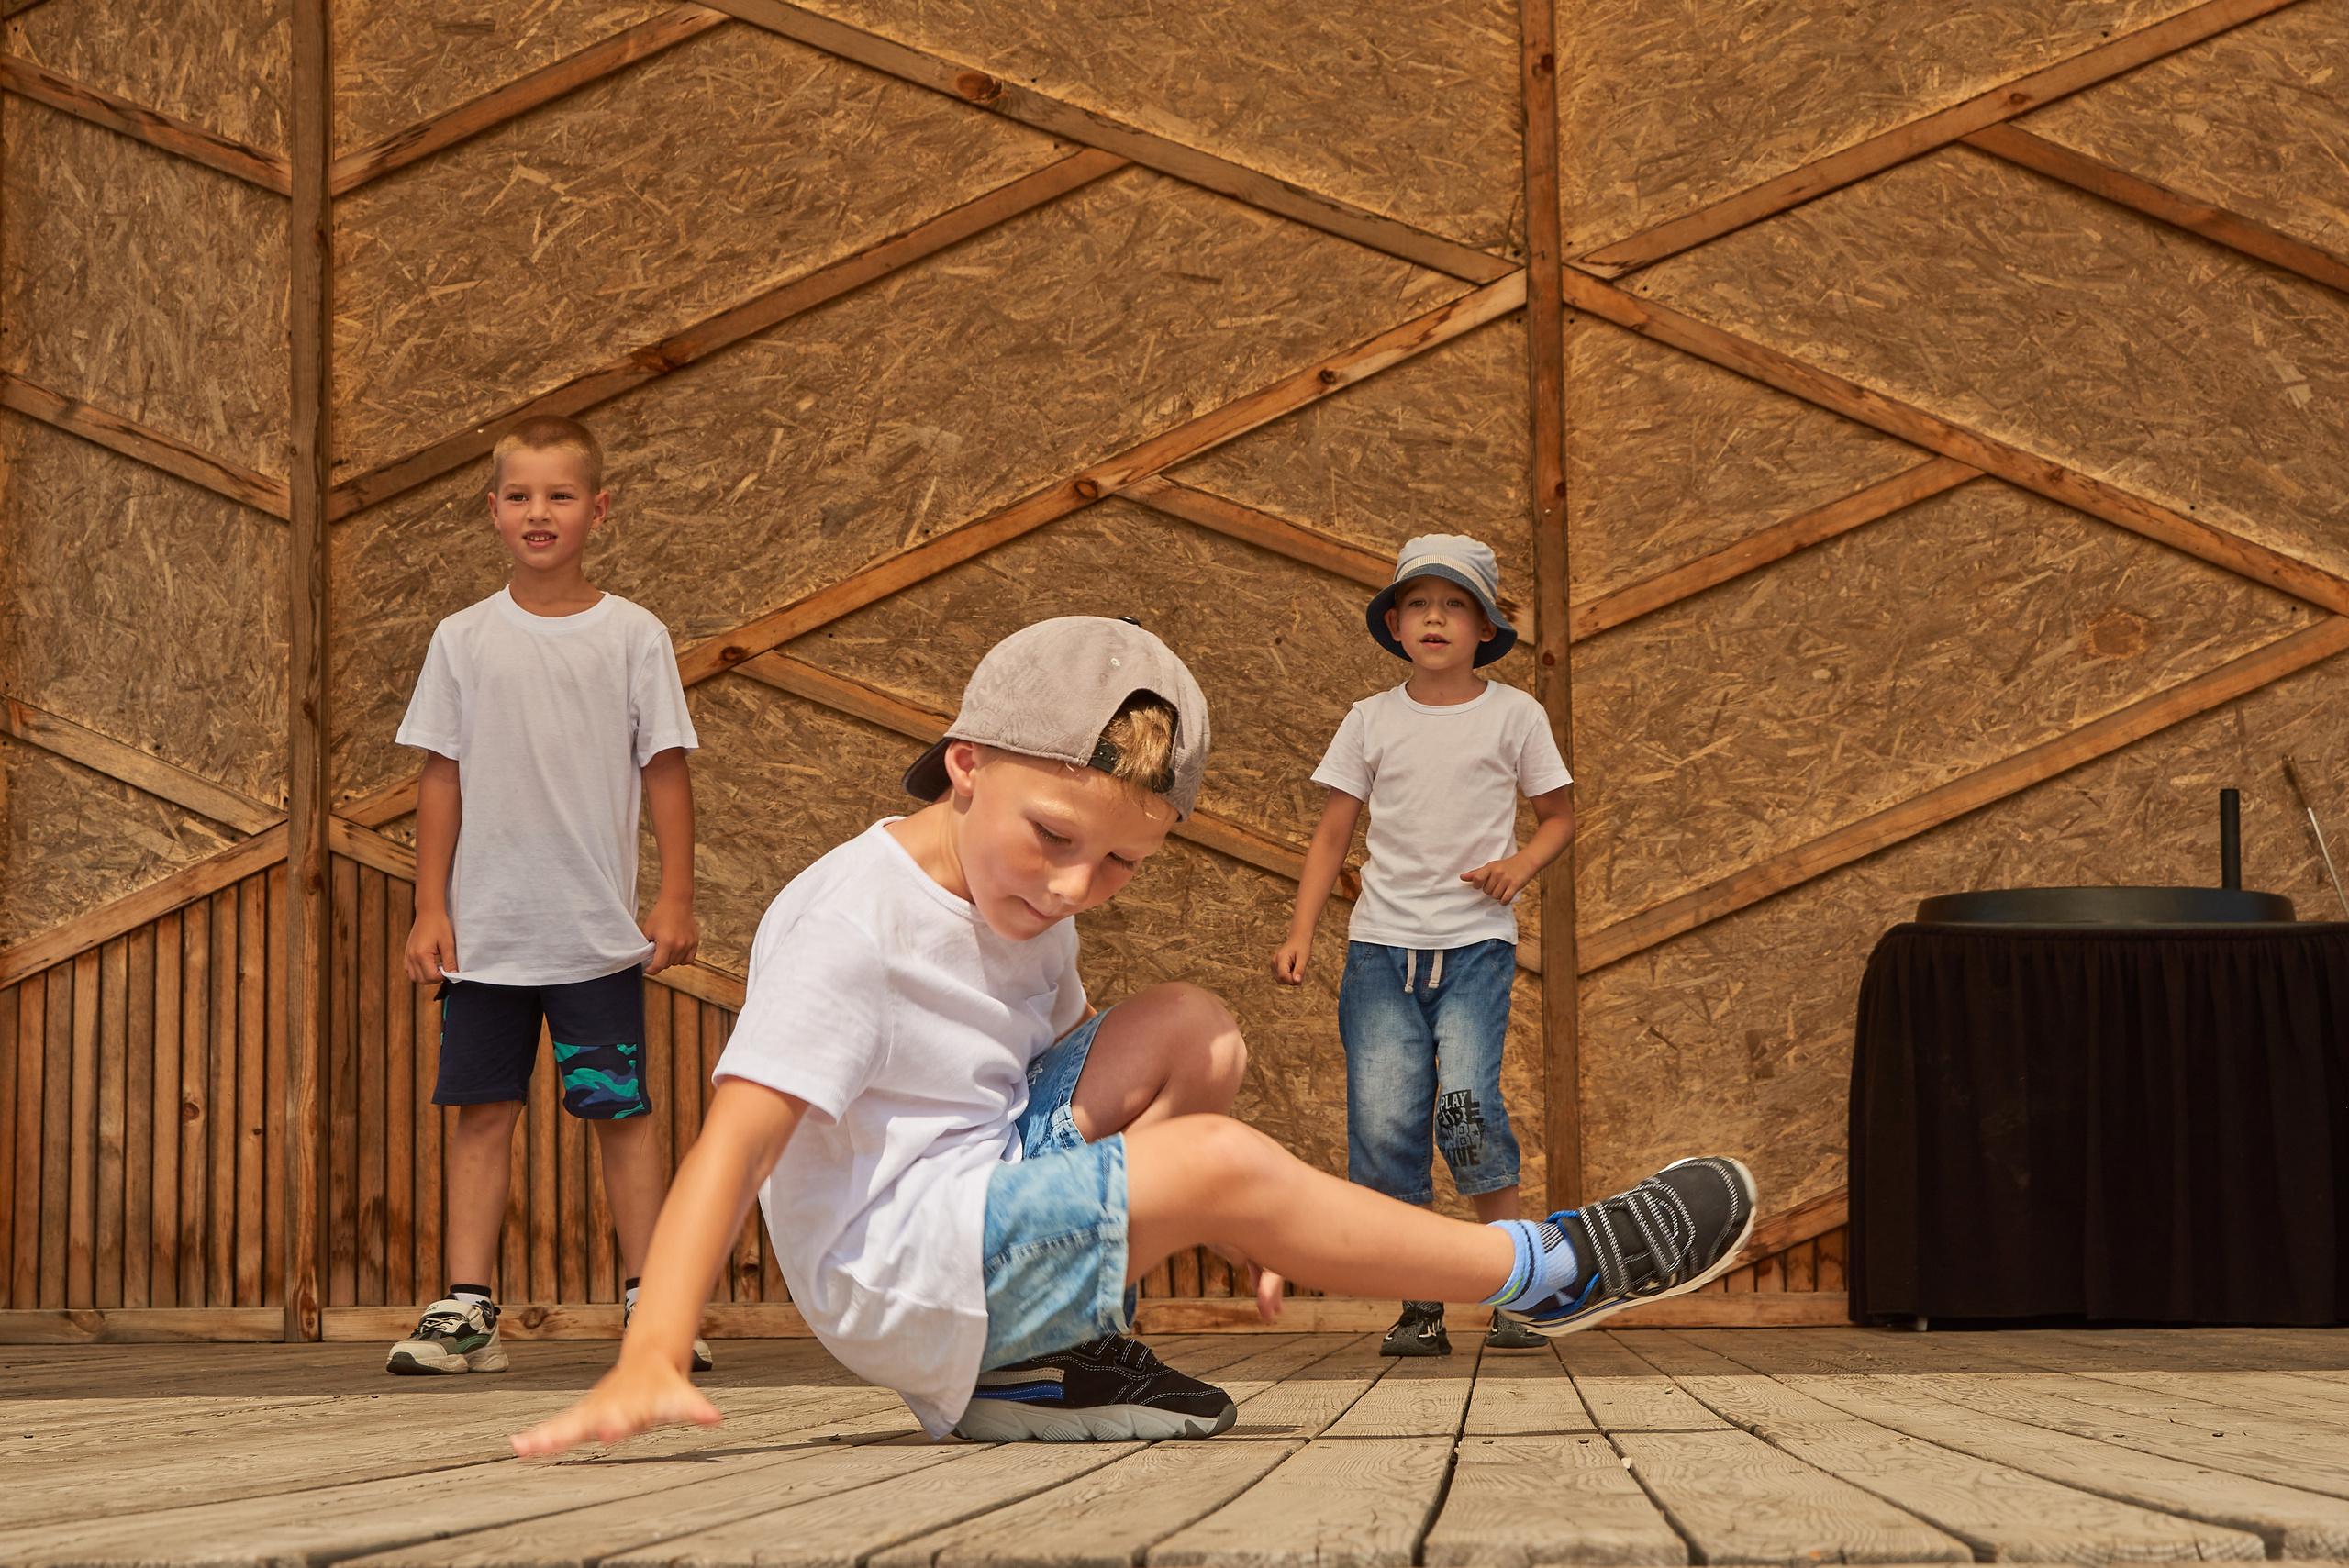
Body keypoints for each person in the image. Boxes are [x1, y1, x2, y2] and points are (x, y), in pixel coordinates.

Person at [509, 617, 1754, 1455]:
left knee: (1194, 1032)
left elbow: (1074, 1078)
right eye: (1052, 835)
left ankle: (1049, 1355)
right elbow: (733, 1146)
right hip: (901, 1269)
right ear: (964, 765)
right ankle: (1548, 1270)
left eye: (1119, 864)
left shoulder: (1028, 906)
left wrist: (1211, 1209)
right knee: (1217, 1160)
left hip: (987, 1199)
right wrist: (652, 1348)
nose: (1070, 887)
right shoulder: (853, 920)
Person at [386, 415, 710, 1377]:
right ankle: (466, 1306)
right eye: (520, 495)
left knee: (620, 1111)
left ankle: (653, 1302)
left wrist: (676, 894)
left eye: (560, 495)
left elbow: (666, 771)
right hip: (485, 935)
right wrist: (429, 906)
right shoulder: (463, 638)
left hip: (594, 937)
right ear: (493, 511)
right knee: (482, 1109)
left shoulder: (634, 636)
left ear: (597, 510)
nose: (539, 512)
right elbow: (439, 777)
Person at [1272, 535, 1576, 1358]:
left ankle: (1521, 1283)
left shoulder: (1516, 714)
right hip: (1380, 954)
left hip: (1474, 947)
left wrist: (1518, 866)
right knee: (1384, 1125)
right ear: (1395, 625)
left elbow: (1560, 818)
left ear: (1485, 627)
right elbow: (1333, 832)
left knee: (1466, 1109)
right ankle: (1420, 1304)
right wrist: (1304, 931)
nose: (1434, 617)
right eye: (1418, 604)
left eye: (1455, 604)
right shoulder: (1369, 721)